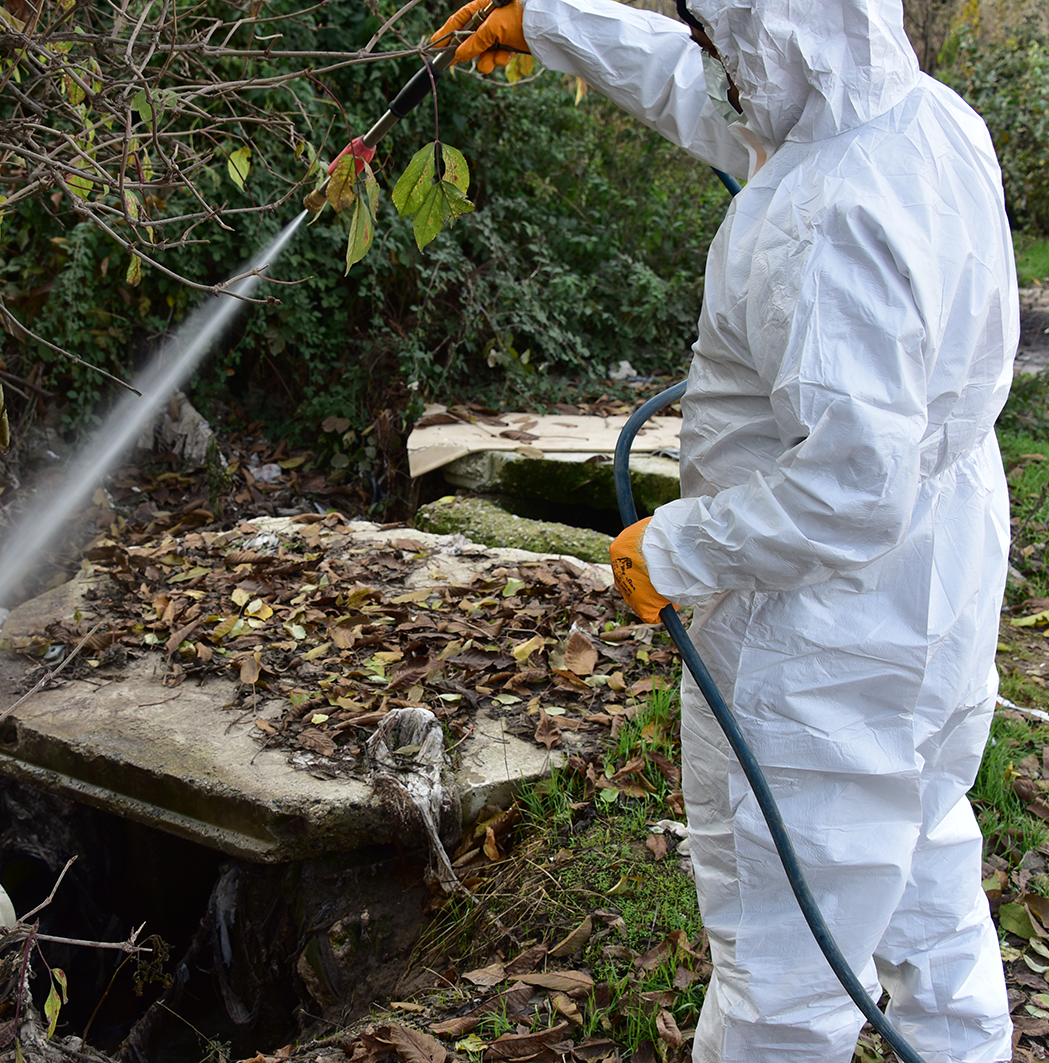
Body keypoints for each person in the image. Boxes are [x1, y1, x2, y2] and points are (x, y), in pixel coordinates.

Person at [431, 1, 1017, 1061]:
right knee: (925, 868)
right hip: (937, 594)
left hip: (821, 643)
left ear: (771, 28)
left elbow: (846, 490)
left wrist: (671, 547)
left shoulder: (826, 214)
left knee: (781, 978)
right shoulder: (922, 120)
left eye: (715, 32)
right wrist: (553, 24)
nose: (706, 57)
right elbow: (703, 90)